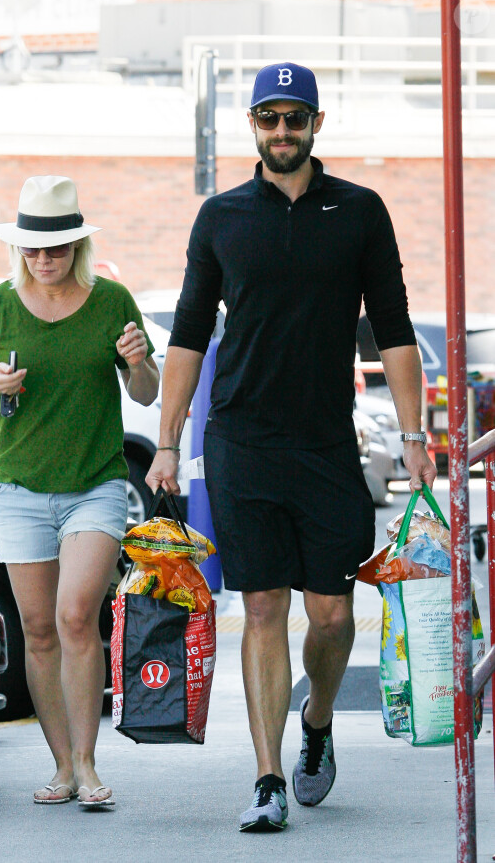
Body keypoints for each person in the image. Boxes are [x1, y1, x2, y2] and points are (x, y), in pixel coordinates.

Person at [146, 62, 436, 831]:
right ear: (252, 125)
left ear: (316, 123)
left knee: (334, 617)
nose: (283, 131)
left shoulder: (360, 212)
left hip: (325, 443)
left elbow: (397, 327)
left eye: (294, 118)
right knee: (265, 604)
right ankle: (269, 777)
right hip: (241, 437)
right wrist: (168, 441)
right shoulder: (221, 217)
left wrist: (414, 435)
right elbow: (187, 333)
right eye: (269, 118)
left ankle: (317, 723)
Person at [0, 175, 159, 808]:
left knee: (75, 616)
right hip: (17, 489)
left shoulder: (111, 301)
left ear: (77, 245)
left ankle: (91, 765)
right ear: (19, 251)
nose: (45, 260)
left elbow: (147, 393)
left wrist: (137, 361)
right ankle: (62, 766)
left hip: (94, 487)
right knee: (39, 629)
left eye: (57, 247)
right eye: (33, 250)